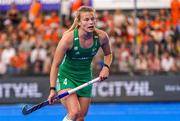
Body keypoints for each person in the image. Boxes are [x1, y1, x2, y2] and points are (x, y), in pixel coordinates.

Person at [48, 6, 112, 121]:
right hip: (66, 77)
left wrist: (106, 67)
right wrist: (52, 89)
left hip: (85, 78)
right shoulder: (68, 39)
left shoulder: (102, 36)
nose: (91, 22)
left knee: (80, 117)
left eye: (92, 19)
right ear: (78, 22)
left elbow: (108, 54)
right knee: (74, 112)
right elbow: (55, 65)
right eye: (86, 20)